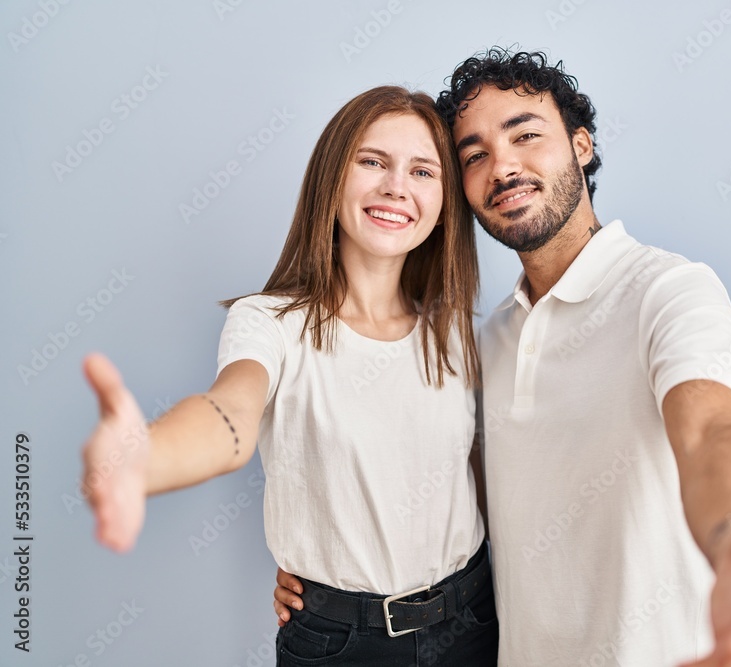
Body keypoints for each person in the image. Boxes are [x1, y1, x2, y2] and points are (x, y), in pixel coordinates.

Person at [272, 50, 731, 667]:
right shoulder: (485, 341)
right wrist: (338, 583)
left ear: (582, 145)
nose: (503, 166)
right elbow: (446, 494)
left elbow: (711, 429)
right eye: (475, 154)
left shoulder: (669, 290)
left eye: (525, 136)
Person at [80, 85, 499, 666]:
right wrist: (144, 457)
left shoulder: (453, 331)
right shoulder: (270, 323)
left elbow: (473, 479)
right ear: (332, 177)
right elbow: (229, 414)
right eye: (372, 161)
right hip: (340, 643)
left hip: (473, 619)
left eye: (422, 171)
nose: (395, 186)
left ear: (445, 201)